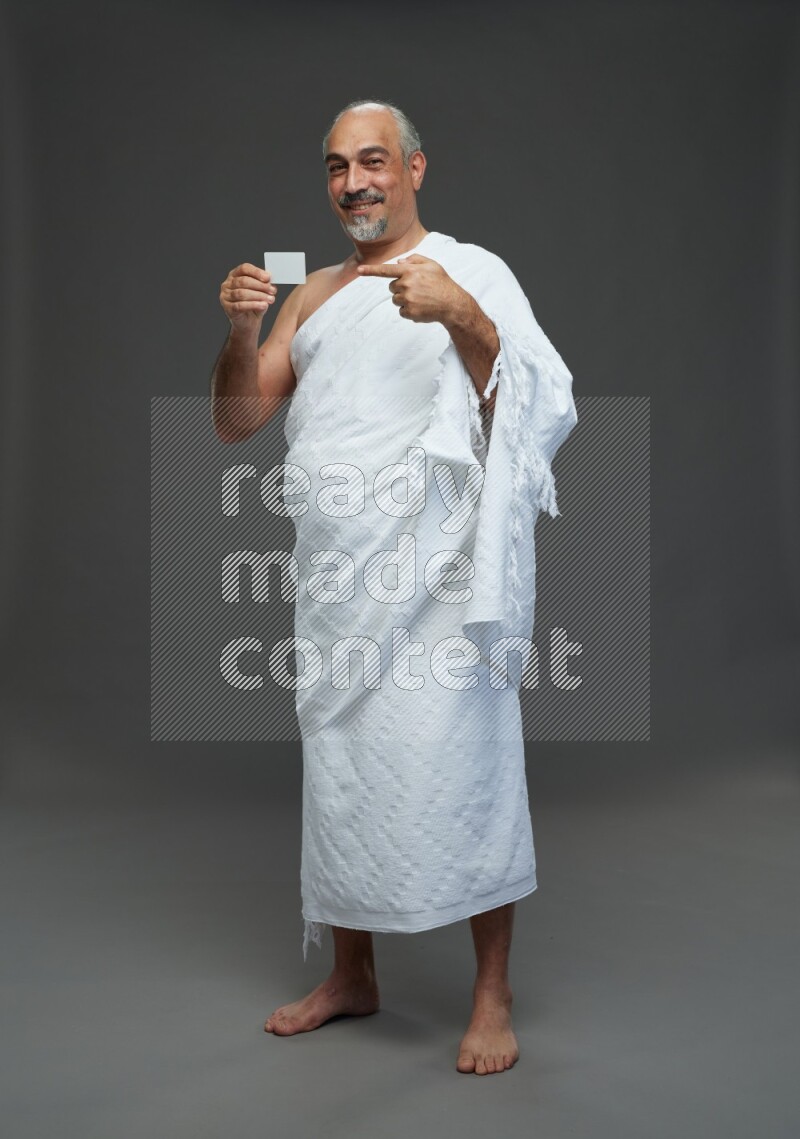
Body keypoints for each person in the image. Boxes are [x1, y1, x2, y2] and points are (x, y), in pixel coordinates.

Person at [210, 99, 577, 1076]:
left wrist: (459, 312)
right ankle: (351, 975)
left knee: (469, 767)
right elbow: (238, 420)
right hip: (339, 576)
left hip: (439, 578)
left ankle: (489, 991)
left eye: (372, 161)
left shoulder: (471, 269)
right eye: (335, 167)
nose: (353, 182)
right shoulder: (314, 295)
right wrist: (244, 331)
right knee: (343, 775)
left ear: (415, 168)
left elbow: (540, 393)